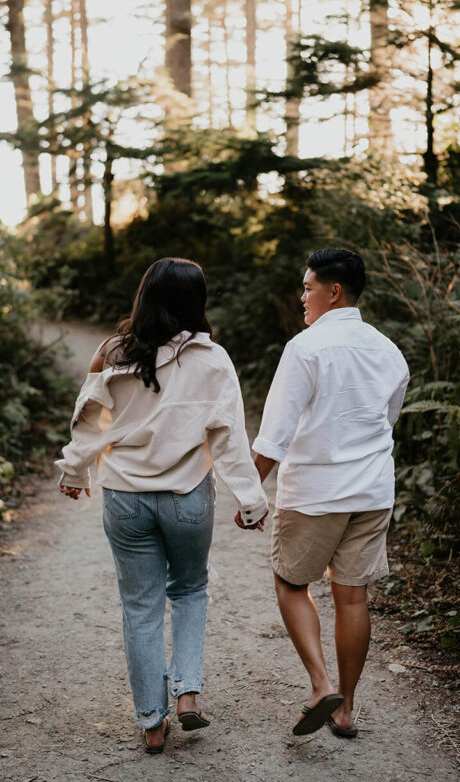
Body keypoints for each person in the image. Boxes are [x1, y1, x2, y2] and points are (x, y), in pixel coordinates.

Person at [57, 258, 268, 755]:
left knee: (140, 605)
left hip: (126, 499)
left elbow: (89, 419)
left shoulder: (111, 352)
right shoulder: (213, 360)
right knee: (190, 589)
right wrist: (252, 502)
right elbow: (231, 438)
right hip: (186, 497)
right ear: (198, 302)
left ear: (144, 296)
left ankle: (153, 722)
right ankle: (188, 694)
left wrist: (75, 470)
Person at [240, 247, 409, 738]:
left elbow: (274, 436)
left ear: (334, 291)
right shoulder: (388, 350)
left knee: (291, 584)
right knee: (352, 598)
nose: (302, 297)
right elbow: (386, 419)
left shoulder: (306, 348)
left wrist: (250, 493)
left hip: (316, 490)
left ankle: (319, 685)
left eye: (309, 287)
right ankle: (346, 710)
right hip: (373, 491)